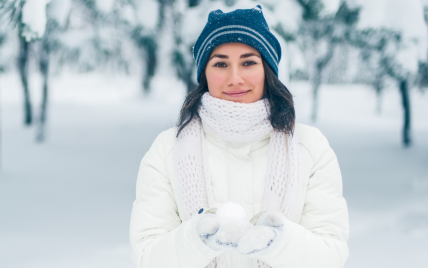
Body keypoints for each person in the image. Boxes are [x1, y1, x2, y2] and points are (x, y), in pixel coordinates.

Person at [129, 5, 349, 268]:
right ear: (204, 74)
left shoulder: (310, 147)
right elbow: (147, 257)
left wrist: (279, 242)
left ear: (267, 70)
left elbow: (330, 255)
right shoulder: (167, 150)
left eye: (248, 62)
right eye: (220, 63)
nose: (235, 78)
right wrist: (197, 239)